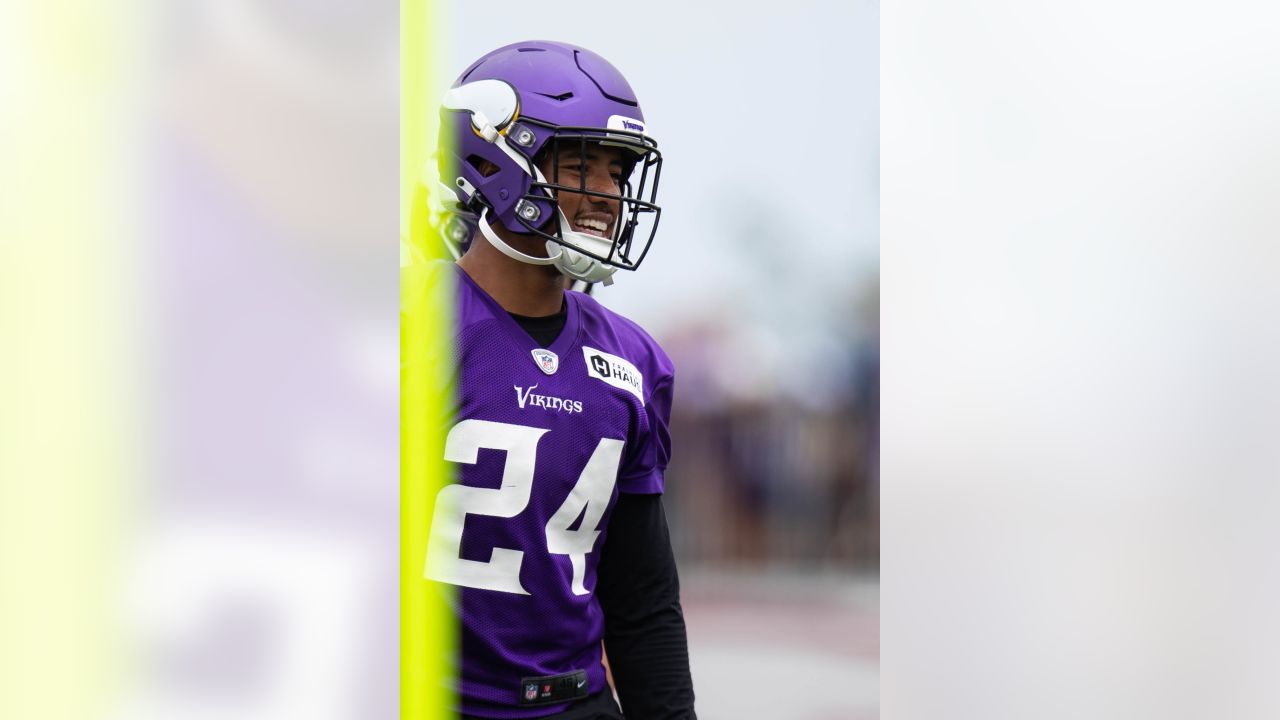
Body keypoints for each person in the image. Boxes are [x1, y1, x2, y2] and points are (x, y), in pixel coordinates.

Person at [425, 40, 696, 719]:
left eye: (617, 172)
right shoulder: (407, 329)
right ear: (491, 161)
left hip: (577, 704)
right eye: (580, 164)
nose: (606, 194)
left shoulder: (633, 362)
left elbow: (643, 601)